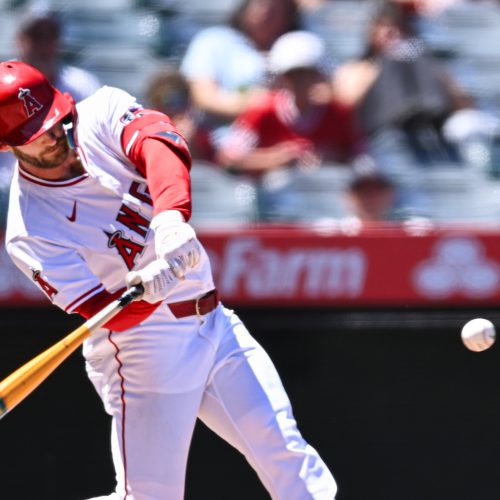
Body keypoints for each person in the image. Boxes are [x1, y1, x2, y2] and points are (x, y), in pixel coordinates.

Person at [0, 61, 337, 500]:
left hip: (215, 321)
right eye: (35, 137)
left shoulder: (101, 109)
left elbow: (161, 143)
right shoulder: (30, 228)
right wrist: (144, 292)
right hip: (144, 347)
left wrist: (171, 220)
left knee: (291, 460)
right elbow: (102, 314)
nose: (53, 137)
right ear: (9, 147)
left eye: (54, 123)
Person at [216, 30, 365, 221]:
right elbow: (228, 158)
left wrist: (328, 158)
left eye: (307, 74)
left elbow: (361, 160)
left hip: (329, 208)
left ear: (318, 76)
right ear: (281, 78)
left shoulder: (338, 113)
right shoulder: (262, 110)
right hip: (272, 209)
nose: (300, 82)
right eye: (293, 75)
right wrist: (276, 159)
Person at [331, 1, 476, 167]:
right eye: (382, 26)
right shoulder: (357, 68)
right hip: (381, 138)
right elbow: (344, 106)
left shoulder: (425, 62)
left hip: (432, 130)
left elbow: (463, 103)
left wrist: (428, 66)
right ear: (369, 31)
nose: (392, 32)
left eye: (398, 25)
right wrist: (382, 65)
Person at [180, 0, 302, 149]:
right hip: (217, 140)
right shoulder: (214, 40)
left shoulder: (298, 47)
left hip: (279, 142)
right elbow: (204, 97)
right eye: (260, 5)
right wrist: (257, 105)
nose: (266, 12)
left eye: (276, 9)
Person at [145, 65, 213, 161]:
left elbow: (209, 165)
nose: (174, 110)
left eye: (179, 102)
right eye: (168, 103)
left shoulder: (202, 135)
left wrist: (191, 143)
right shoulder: (146, 132)